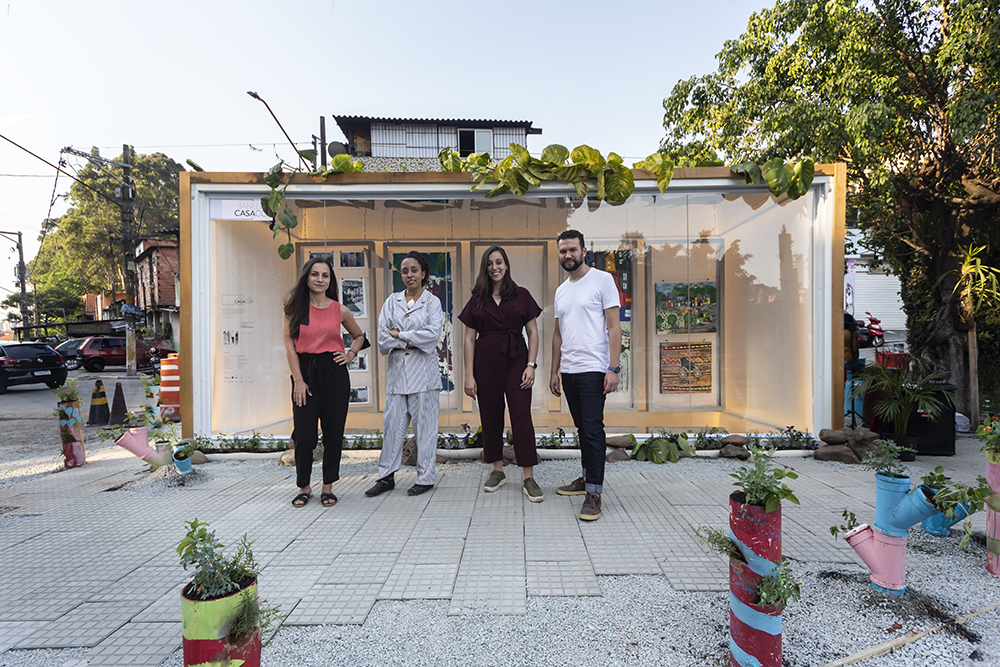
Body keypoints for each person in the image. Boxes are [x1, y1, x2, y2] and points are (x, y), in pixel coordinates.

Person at [459, 245, 544, 502]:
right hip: (486, 362)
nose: (495, 267)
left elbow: (533, 332)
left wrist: (531, 365)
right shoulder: (477, 299)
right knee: (491, 415)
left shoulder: (522, 295)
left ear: (506, 265)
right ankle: (497, 470)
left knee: (521, 416)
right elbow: (469, 339)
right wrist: (468, 375)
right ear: (485, 268)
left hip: (517, 360)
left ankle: (528, 476)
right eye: (490, 263)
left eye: (499, 262)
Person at [548, 230, 621, 521]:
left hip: (593, 370)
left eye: (572, 250)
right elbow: (557, 335)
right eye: (563, 251)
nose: (568, 255)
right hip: (569, 371)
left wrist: (613, 368)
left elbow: (614, 327)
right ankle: (585, 478)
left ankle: (594, 493)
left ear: (584, 249)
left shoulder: (603, 280)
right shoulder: (561, 289)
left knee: (592, 430)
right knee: (582, 429)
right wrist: (554, 370)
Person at [283, 256, 367, 508]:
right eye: (315, 274)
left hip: (333, 373)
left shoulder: (339, 309)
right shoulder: (294, 308)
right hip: (305, 372)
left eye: (325, 275)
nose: (320, 279)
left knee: (333, 432)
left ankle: (327, 487)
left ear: (330, 281)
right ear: (307, 277)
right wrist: (298, 380)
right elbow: (289, 344)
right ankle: (304, 486)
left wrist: (350, 354)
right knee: (305, 434)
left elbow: (359, 336)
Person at [366, 251, 443, 497]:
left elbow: (432, 336)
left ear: (423, 274)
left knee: (426, 430)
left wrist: (400, 334)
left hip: (425, 378)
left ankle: (426, 477)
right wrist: (407, 340)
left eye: (414, 270)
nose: (409, 274)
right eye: (405, 270)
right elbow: (382, 341)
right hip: (398, 377)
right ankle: (386, 477)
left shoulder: (432, 302)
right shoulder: (391, 302)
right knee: (392, 428)